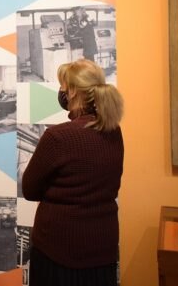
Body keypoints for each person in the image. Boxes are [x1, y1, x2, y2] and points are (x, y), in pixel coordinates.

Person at [22, 59, 124, 286]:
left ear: (74, 91)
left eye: (63, 86)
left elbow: (29, 189)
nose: (61, 91)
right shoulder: (114, 131)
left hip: (58, 253)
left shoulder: (57, 137)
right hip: (102, 251)